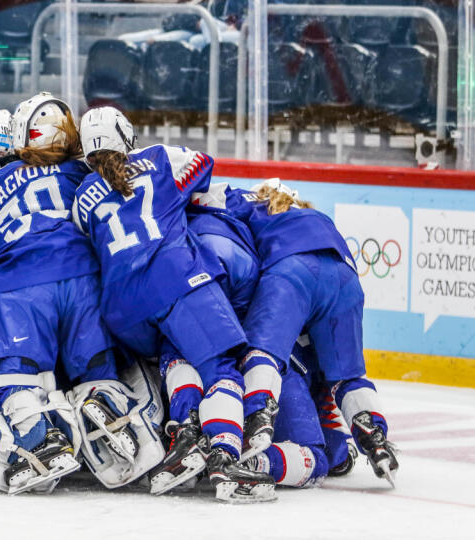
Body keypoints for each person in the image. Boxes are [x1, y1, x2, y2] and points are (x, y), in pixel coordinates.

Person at [74, 106, 275, 502]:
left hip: (123, 310)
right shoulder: (160, 157)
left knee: (176, 353)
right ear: (126, 136)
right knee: (219, 366)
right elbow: (204, 164)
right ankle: (224, 455)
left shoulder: (81, 196)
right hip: (175, 280)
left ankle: (183, 438)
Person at [0, 93, 133, 495]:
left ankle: (40, 437)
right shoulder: (82, 173)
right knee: (93, 364)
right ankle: (108, 420)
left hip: (20, 285)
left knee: (14, 368)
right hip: (84, 280)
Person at [193, 178, 399, 486]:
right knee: (347, 376)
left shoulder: (251, 203)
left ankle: (257, 418)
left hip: (291, 270)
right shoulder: (315, 216)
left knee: (262, 355)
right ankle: (376, 436)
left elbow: (201, 198)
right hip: (345, 277)